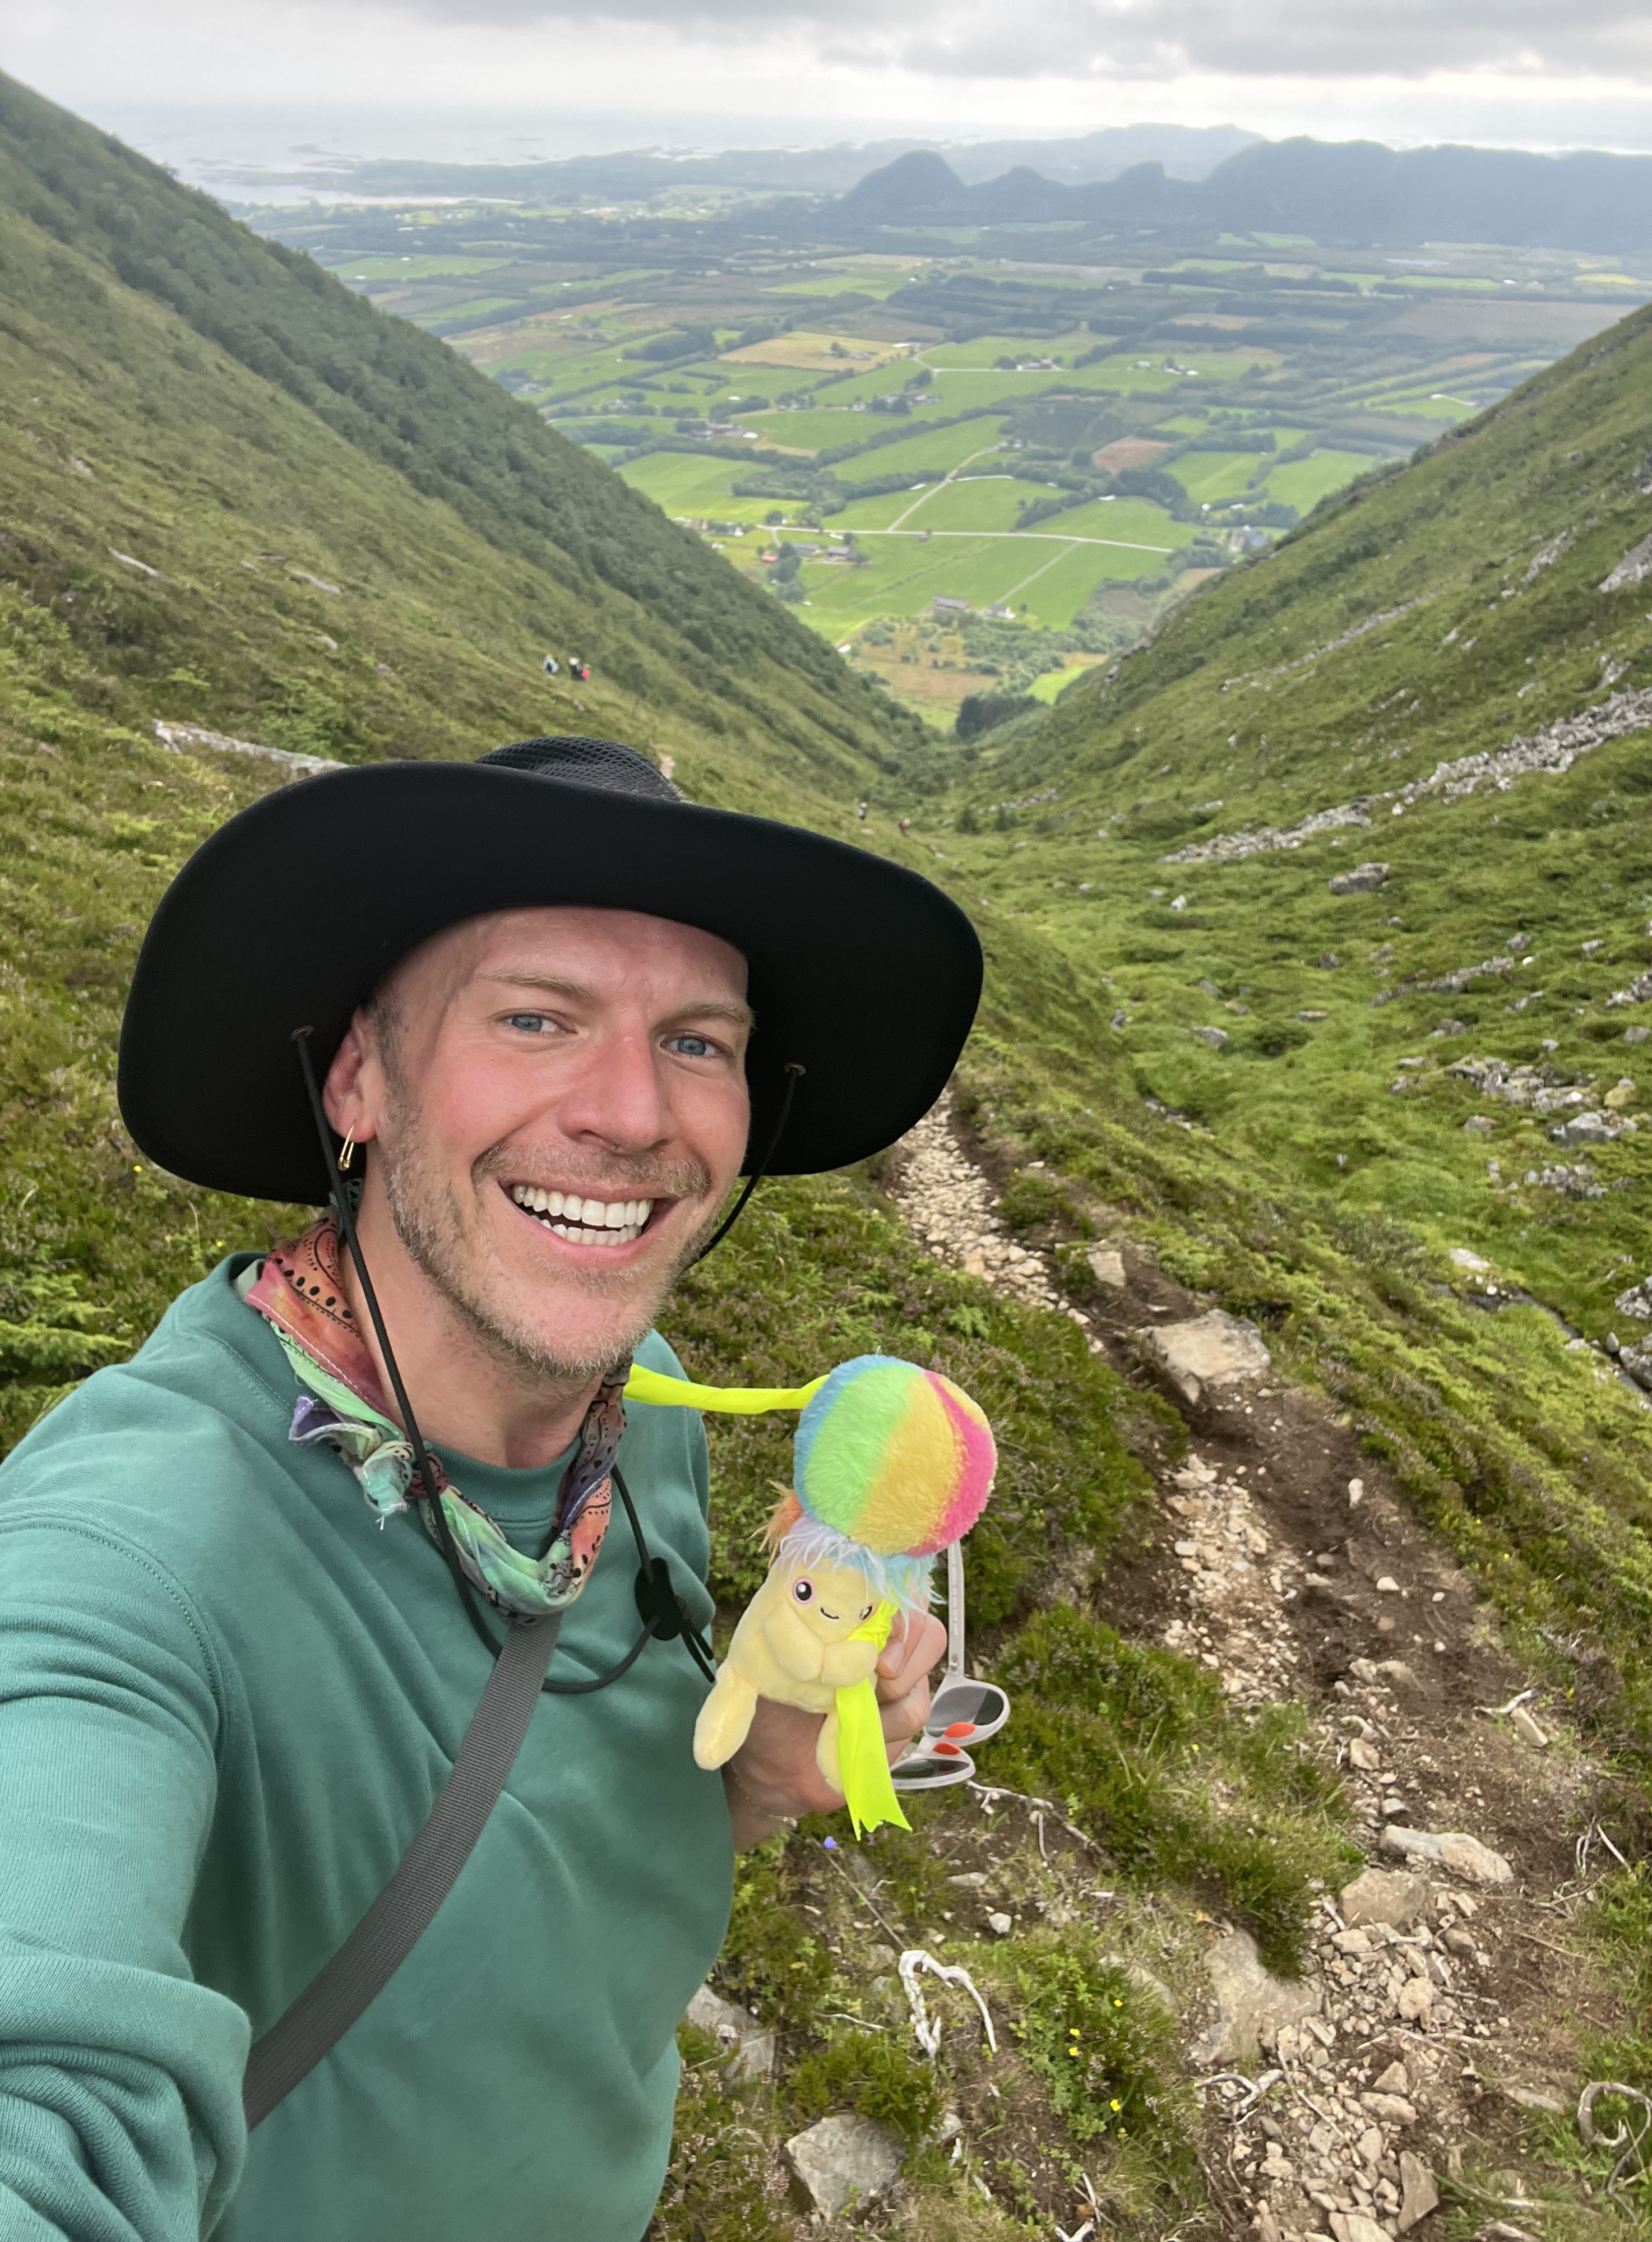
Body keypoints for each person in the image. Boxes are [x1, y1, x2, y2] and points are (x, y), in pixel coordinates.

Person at [0, 736, 982, 2242]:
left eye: (698, 1041)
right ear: (358, 1077)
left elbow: (558, 1848)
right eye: (536, 1017)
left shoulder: (642, 1413)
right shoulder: (124, 1553)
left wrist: (760, 1776)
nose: (634, 1113)